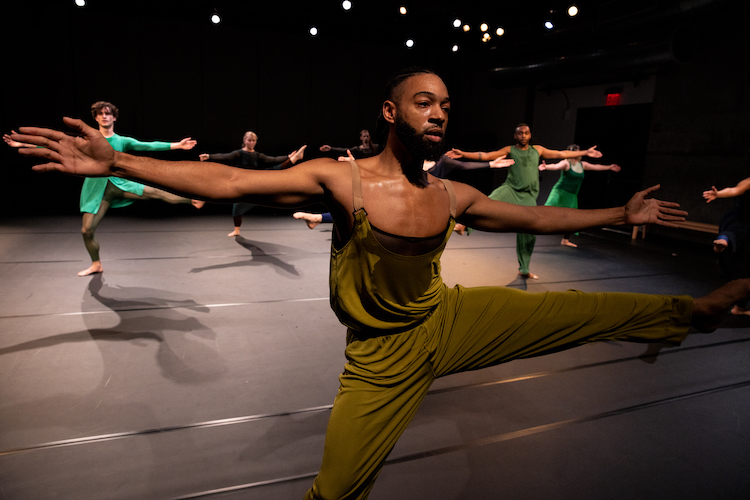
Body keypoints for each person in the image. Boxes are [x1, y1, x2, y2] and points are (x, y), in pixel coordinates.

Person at [12, 68, 750, 500]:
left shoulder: (452, 194)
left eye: (448, 105)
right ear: (391, 112)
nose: (440, 112)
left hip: (449, 319)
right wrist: (121, 163)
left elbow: (532, 217)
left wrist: (619, 209)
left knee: (576, 310)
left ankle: (700, 311)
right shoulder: (345, 179)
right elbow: (230, 177)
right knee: (335, 490)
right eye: (426, 101)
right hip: (380, 358)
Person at [9, 101, 204, 277]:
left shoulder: (122, 140)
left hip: (121, 184)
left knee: (157, 192)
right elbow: (57, 149)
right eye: (100, 113)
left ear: (114, 117)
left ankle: (194, 200)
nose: (104, 116)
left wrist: (177, 145)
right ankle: (96, 264)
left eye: (108, 113)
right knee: (86, 230)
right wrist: (23, 143)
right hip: (96, 189)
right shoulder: (87, 142)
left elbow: (149, 146)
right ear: (95, 117)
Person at [447, 124, 604, 279]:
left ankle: (524, 268)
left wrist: (586, 152)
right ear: (515, 136)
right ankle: (464, 226)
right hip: (510, 189)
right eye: (520, 133)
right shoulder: (510, 150)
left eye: (526, 133)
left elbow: (560, 154)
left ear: (530, 135)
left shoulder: (538, 150)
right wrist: (464, 154)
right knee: (488, 201)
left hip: (528, 195)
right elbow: (488, 155)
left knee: (529, 232)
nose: (523, 135)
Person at [292, 153, 514, 230]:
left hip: (427, 209)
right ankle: (317, 218)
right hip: (404, 203)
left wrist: (491, 165)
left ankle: (457, 227)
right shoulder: (409, 160)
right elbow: (380, 166)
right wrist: (354, 163)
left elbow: (466, 167)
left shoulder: (443, 162)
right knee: (363, 205)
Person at [199, 131, 306, 237]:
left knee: (274, 170)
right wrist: (209, 156)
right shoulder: (239, 153)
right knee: (236, 209)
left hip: (254, 180)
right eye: (249, 140)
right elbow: (224, 156)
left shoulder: (257, 155)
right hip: (243, 183)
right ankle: (237, 230)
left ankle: (295, 158)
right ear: (245, 141)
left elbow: (273, 159)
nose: (251, 142)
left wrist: (287, 156)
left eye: (254, 141)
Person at [540, 144, 621, 247]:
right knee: (547, 210)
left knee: (572, 218)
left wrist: (609, 167)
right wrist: (546, 166)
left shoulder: (582, 164)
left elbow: (596, 167)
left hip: (572, 195)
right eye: (577, 151)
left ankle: (565, 240)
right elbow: (556, 166)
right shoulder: (566, 163)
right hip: (560, 191)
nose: (580, 153)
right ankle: (534, 228)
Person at [703, 177, 750, 315]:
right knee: (735, 232)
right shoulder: (748, 182)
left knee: (746, 265)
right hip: (740, 219)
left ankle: (739, 307)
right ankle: (723, 241)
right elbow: (734, 190)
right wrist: (718, 194)